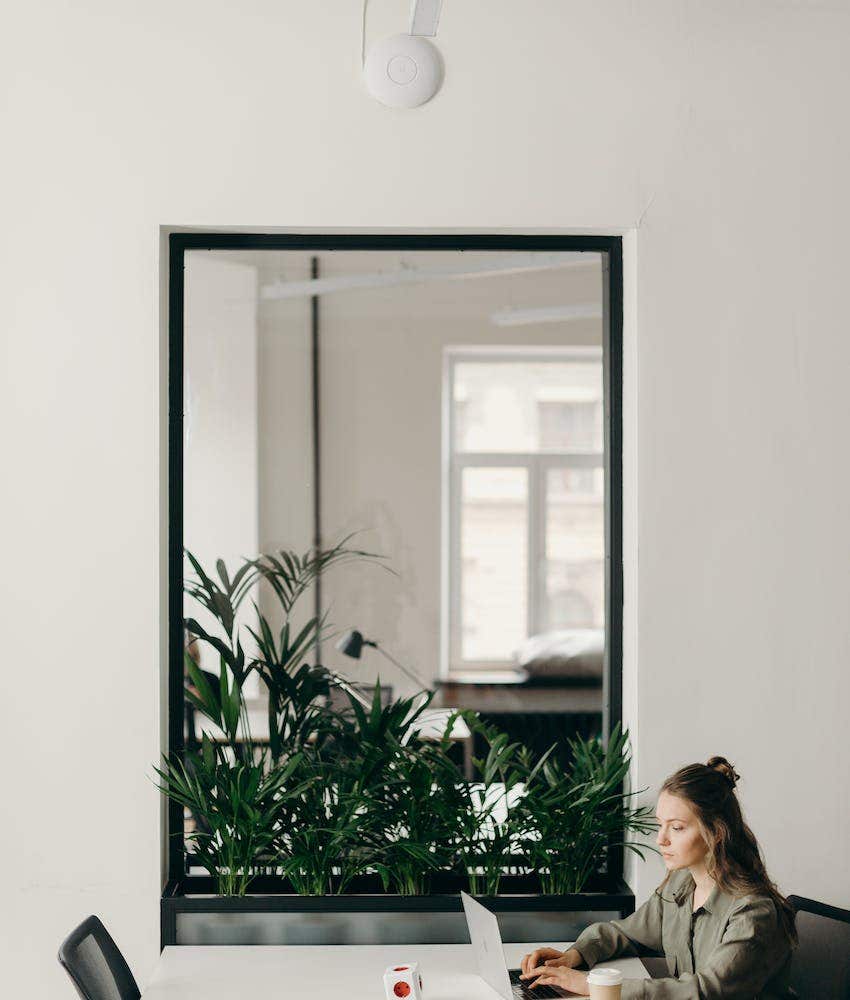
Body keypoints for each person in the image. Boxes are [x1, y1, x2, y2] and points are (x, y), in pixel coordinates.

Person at [520, 756, 797, 998]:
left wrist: (596, 987)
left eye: (676, 828)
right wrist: (573, 956)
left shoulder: (753, 911)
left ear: (716, 833)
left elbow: (709, 992)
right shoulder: (680, 885)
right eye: (660, 825)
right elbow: (625, 933)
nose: (660, 839)